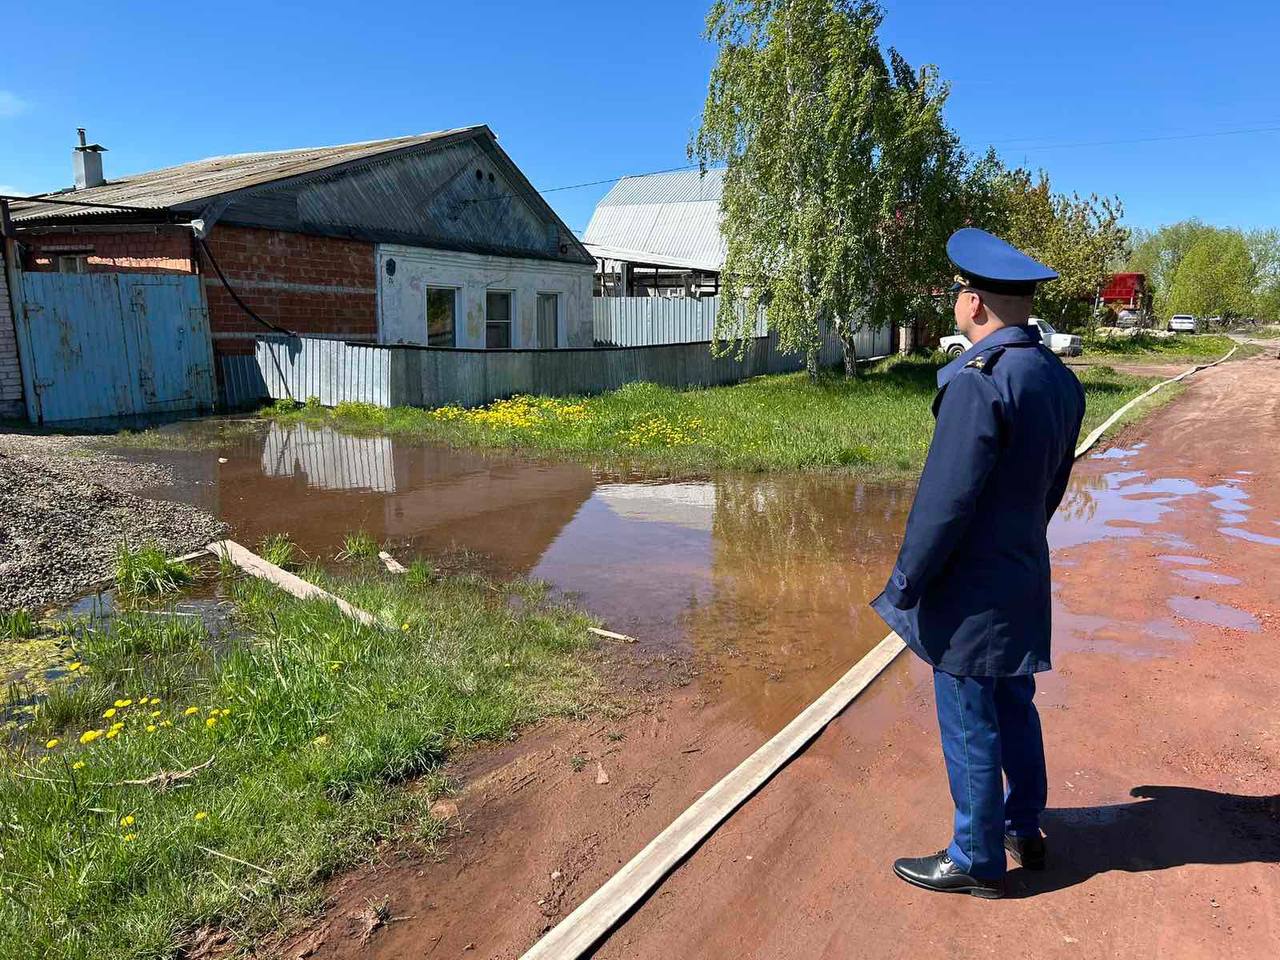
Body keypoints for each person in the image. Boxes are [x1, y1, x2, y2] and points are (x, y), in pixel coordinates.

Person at [871, 227, 1086, 899]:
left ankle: (975, 857)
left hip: (972, 593)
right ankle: (1024, 828)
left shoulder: (979, 381)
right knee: (1015, 705)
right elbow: (1053, 485)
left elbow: (943, 503)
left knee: (970, 715)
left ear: (973, 304)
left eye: (959, 295)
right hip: (1022, 571)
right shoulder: (1056, 377)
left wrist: (906, 582)